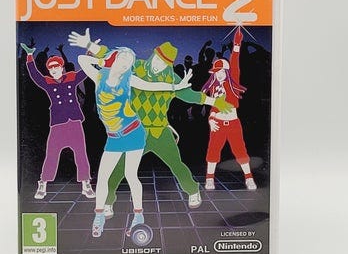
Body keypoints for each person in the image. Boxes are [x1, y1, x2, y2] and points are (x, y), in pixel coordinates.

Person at [68, 30, 233, 220]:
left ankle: (193, 190)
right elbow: (115, 57)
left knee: (176, 164)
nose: (158, 65)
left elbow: (190, 95)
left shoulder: (172, 78)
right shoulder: (135, 67)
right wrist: (90, 46)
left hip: (160, 132)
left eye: (164, 63)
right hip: (135, 131)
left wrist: (215, 102)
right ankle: (108, 201)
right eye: (157, 59)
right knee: (119, 168)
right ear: (153, 54)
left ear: (168, 65)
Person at [76, 42, 192, 237]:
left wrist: (177, 86)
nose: (125, 63)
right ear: (115, 57)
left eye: (129, 61)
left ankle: (138, 216)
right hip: (113, 137)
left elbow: (151, 86)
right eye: (123, 58)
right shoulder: (99, 76)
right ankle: (99, 215)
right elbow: (82, 59)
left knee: (130, 175)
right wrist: (103, 60)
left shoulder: (128, 79)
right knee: (102, 178)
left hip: (133, 132)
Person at [20, 43, 95, 199]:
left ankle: (86, 184)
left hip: (74, 123)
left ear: (62, 68)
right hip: (58, 124)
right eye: (51, 68)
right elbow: (35, 75)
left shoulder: (71, 78)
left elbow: (85, 72)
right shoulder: (48, 83)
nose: (54, 70)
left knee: (81, 153)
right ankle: (43, 184)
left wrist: (89, 55)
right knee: (52, 154)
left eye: (56, 67)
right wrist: (29, 56)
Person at [201, 28, 257, 191]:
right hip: (217, 123)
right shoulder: (214, 87)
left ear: (227, 71)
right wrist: (211, 120)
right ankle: (209, 179)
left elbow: (235, 63)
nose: (218, 74)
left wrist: (237, 45)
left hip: (233, 123)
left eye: (221, 71)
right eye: (215, 72)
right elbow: (213, 107)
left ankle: (249, 178)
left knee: (240, 151)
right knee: (213, 151)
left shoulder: (232, 82)